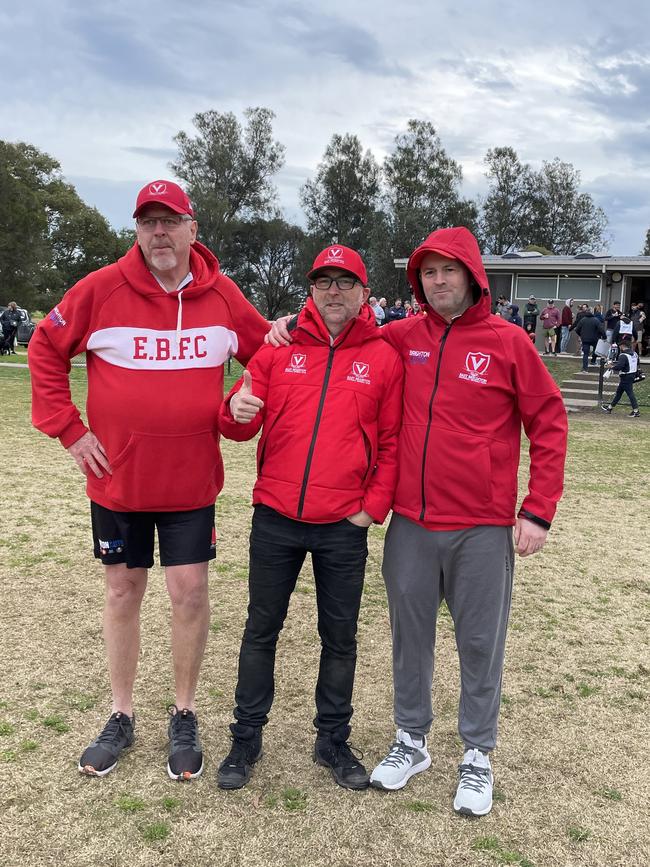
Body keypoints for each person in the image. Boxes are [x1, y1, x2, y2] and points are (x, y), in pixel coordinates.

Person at [28, 180, 270, 781]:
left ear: (193, 229)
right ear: (136, 231)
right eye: (147, 223)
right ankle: (121, 714)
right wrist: (70, 428)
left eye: (170, 221)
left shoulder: (223, 297)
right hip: (119, 481)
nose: (159, 233)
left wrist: (246, 397)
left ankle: (183, 713)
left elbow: (269, 354)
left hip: (190, 483)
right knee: (122, 591)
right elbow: (44, 346)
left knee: (188, 593)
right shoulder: (100, 289)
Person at [367, 227, 567, 816]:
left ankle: (477, 754)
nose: (438, 281)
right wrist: (283, 328)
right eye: (428, 273)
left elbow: (550, 421)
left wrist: (538, 510)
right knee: (410, 639)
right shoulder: (402, 336)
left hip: (481, 525)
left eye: (449, 270)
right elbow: (344, 336)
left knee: (480, 643)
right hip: (411, 522)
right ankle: (412, 740)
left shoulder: (508, 343)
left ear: (473, 275)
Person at [215, 245, 403, 792]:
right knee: (260, 631)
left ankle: (333, 739)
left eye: (346, 282)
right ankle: (246, 737)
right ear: (311, 290)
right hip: (275, 516)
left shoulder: (383, 356)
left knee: (339, 637)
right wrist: (235, 410)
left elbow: (391, 444)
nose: (334, 291)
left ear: (364, 293)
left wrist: (371, 510)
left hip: (343, 525)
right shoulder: (276, 349)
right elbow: (237, 420)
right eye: (324, 281)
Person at [601, 336, 641, 418]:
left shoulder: (623, 355)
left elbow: (620, 366)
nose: (620, 348)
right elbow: (637, 363)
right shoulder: (635, 354)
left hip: (625, 376)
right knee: (619, 393)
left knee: (630, 393)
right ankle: (609, 408)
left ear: (622, 346)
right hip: (632, 374)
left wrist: (611, 366)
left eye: (620, 346)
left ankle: (636, 411)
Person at [573, 307, 605, 371]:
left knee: (586, 354)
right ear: (593, 312)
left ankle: (585, 368)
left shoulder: (583, 320)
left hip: (585, 339)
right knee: (596, 350)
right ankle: (593, 361)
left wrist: (581, 335)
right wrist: (604, 336)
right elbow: (601, 329)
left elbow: (577, 329)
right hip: (594, 339)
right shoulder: (596, 320)